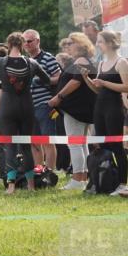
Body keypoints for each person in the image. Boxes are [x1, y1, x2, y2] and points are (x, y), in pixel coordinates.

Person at [0, 32, 54, 194]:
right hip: (27, 106)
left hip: (8, 106)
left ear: (8, 44)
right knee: (26, 147)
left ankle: (11, 186)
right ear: (22, 45)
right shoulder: (32, 62)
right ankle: (31, 185)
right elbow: (48, 81)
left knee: (10, 147)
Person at [81, 30, 128, 196]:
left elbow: (126, 86)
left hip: (114, 108)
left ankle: (122, 183)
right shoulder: (101, 63)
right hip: (100, 107)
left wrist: (104, 82)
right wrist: (87, 79)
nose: (97, 44)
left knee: (116, 146)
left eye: (100, 41)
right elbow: (98, 90)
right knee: (101, 145)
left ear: (109, 43)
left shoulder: (121, 62)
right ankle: (105, 180)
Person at [48, 33, 96, 190]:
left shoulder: (81, 61)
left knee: (75, 144)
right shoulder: (84, 61)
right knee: (81, 144)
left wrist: (58, 97)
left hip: (76, 109)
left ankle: (77, 179)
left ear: (80, 45)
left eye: (70, 43)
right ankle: (82, 178)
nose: (67, 46)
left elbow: (76, 81)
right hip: (81, 109)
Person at [23, 29, 61, 170]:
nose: (26, 44)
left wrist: (44, 80)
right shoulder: (24, 60)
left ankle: (50, 173)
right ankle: (39, 171)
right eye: (24, 42)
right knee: (34, 142)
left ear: (38, 41)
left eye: (29, 41)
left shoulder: (47, 57)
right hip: (29, 106)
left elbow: (59, 77)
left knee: (48, 141)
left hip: (45, 104)